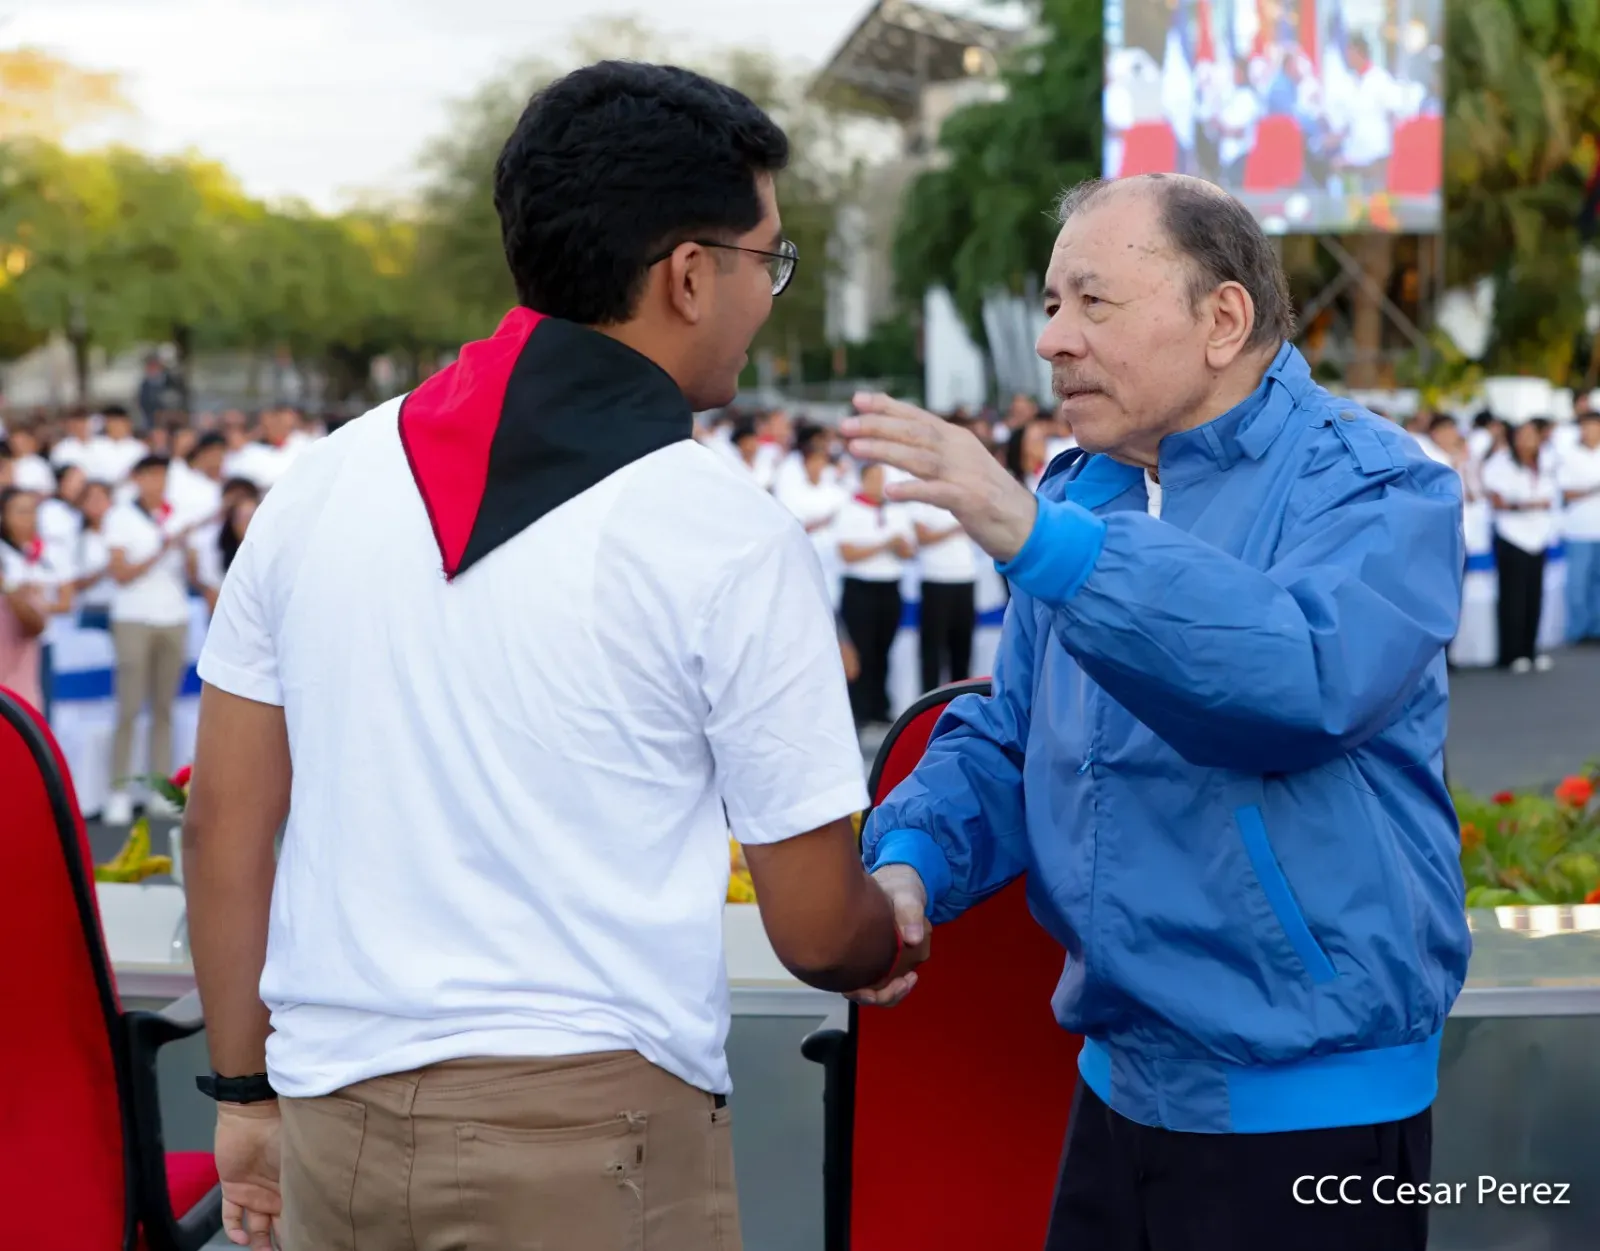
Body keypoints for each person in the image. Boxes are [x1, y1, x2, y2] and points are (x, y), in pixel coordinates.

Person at [183, 60, 920, 1251]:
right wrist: (887, 923)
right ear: (689, 273)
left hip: (332, 1129)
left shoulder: (319, 483)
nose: (768, 295)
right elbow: (812, 929)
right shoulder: (721, 530)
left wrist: (240, 1095)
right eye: (766, 260)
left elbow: (224, 819)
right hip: (590, 1140)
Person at [842, 174, 1468, 1251]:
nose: (1053, 341)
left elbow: (1299, 683)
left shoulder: (1377, 490)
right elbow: (1014, 735)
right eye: (1048, 305)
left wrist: (1041, 541)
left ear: (1221, 320)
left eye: (1094, 303)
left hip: (1313, 1110)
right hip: (1119, 1093)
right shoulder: (1084, 494)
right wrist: (908, 859)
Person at [102, 456, 194, 824]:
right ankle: (119, 791)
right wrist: (162, 547)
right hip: (133, 618)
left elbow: (190, 571)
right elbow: (120, 573)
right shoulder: (119, 517)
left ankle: (159, 788)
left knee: (164, 710)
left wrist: (184, 550)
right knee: (128, 707)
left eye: (162, 475)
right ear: (137, 478)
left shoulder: (178, 514)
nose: (157, 482)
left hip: (174, 617)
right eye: (150, 475)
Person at [834, 461, 915, 728]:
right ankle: (859, 709)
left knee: (884, 647)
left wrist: (899, 547)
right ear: (863, 480)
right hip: (860, 587)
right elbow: (847, 552)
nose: (880, 484)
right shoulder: (850, 509)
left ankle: (880, 705)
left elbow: (909, 551)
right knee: (861, 649)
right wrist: (884, 544)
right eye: (875, 479)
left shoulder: (896, 511)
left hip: (889, 586)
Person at [1482, 419, 1557, 672]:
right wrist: (1529, 504)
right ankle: (1510, 653)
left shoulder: (1545, 461)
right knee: (1512, 597)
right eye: (1522, 435)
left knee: (1535, 596)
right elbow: (1498, 501)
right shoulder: (1500, 462)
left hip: (1539, 536)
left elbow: (1551, 496)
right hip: (1512, 536)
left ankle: (1530, 649)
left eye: (1532, 435)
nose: (1527, 440)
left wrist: (1531, 504)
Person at [1559, 409, 1600, 644]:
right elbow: (1567, 492)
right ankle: (1578, 629)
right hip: (1579, 529)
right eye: (1586, 427)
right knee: (1577, 582)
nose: (1590, 432)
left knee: (1598, 582)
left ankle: (1596, 628)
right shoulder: (1570, 454)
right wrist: (1593, 489)